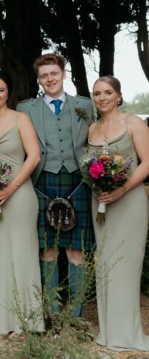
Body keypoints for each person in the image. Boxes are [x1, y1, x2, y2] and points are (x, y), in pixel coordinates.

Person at [17, 53, 94, 321]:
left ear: (63, 74)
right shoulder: (26, 109)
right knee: (47, 248)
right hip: (42, 181)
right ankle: (50, 308)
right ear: (39, 80)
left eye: (54, 73)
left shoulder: (85, 105)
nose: (50, 79)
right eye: (44, 75)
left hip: (78, 181)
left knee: (76, 250)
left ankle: (76, 313)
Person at [0, 70, 44, 336]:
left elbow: (34, 156)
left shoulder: (20, 119)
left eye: (0, 90)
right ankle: (4, 320)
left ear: (8, 93)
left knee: (22, 255)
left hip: (18, 196)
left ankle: (26, 321)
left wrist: (10, 188)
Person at [87, 76, 149, 351]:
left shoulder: (133, 122)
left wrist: (121, 190)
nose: (102, 98)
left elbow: (147, 163)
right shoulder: (92, 128)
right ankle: (110, 332)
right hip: (101, 203)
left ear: (119, 96)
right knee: (106, 264)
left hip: (129, 201)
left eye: (108, 92)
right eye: (97, 93)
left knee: (127, 265)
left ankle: (128, 333)